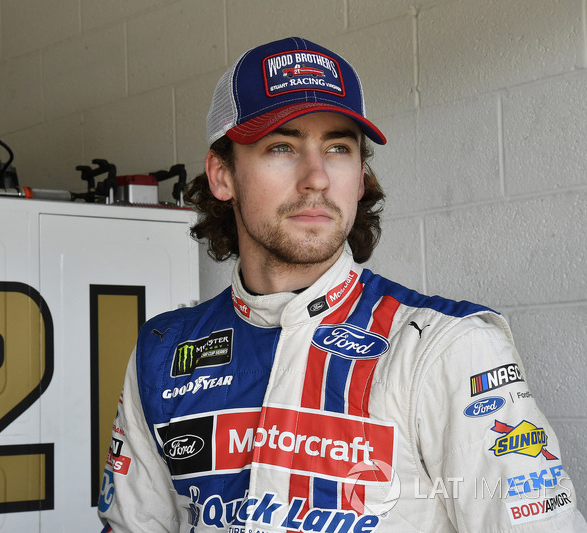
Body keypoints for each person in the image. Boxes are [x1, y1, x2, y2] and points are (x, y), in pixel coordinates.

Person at [97, 36, 587, 532]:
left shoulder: (448, 348)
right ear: (222, 175)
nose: (316, 177)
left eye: (337, 148)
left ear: (359, 175)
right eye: (282, 147)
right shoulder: (163, 352)